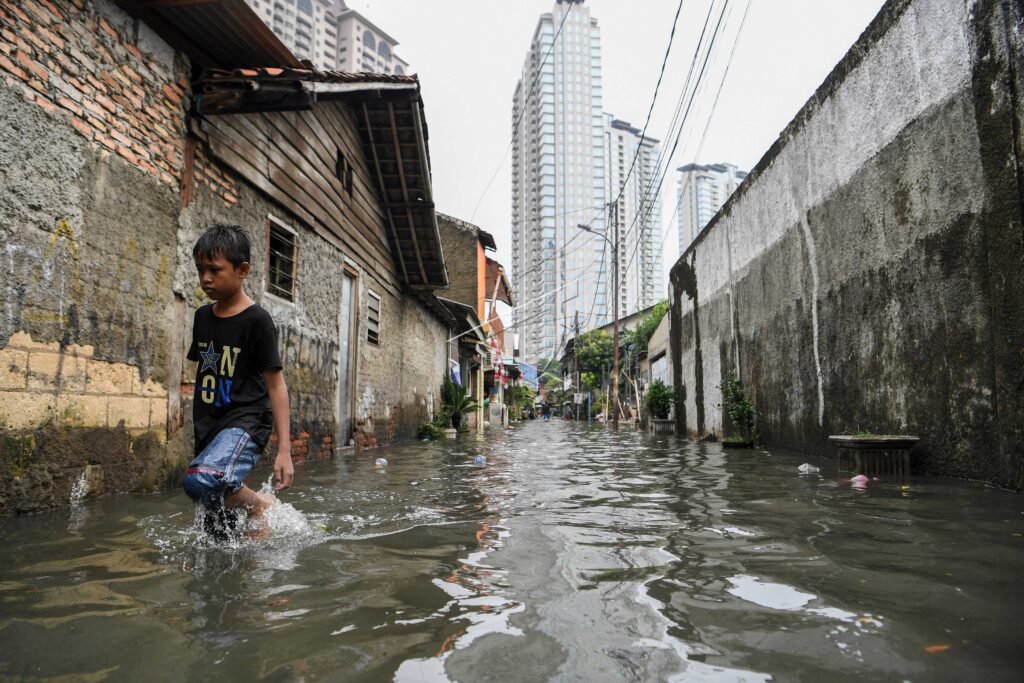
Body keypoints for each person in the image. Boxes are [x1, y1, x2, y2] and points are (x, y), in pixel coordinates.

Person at [181, 225, 294, 539]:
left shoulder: (257, 321)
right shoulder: (202, 317)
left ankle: (258, 504)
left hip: (245, 422)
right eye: (200, 270)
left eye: (214, 270)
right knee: (216, 534)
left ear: (242, 270)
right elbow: (206, 372)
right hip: (210, 427)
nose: (205, 278)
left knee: (199, 480)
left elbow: (276, 385)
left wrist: (284, 449)